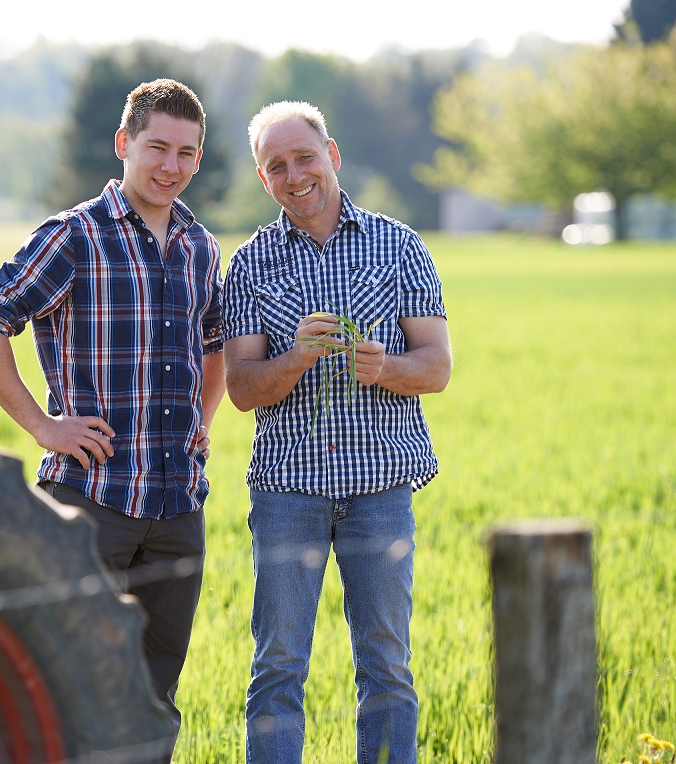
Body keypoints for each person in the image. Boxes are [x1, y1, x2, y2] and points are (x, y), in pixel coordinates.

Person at [0, 78, 225, 762]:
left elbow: (215, 342)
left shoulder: (199, 246)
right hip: (88, 506)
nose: (171, 165)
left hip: (177, 511)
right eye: (157, 147)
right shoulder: (75, 237)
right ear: (123, 145)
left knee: (155, 698)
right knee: (59, 690)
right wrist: (43, 427)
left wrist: (205, 418)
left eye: (187, 152)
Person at [221, 101, 452, 764]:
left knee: (386, 665)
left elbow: (436, 368)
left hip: (381, 487)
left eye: (304, 158)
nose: (294, 175)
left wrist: (385, 367)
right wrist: (294, 356)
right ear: (264, 179)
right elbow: (240, 388)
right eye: (276, 167)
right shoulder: (249, 264)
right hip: (287, 490)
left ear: (333, 157)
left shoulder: (400, 245)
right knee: (278, 666)